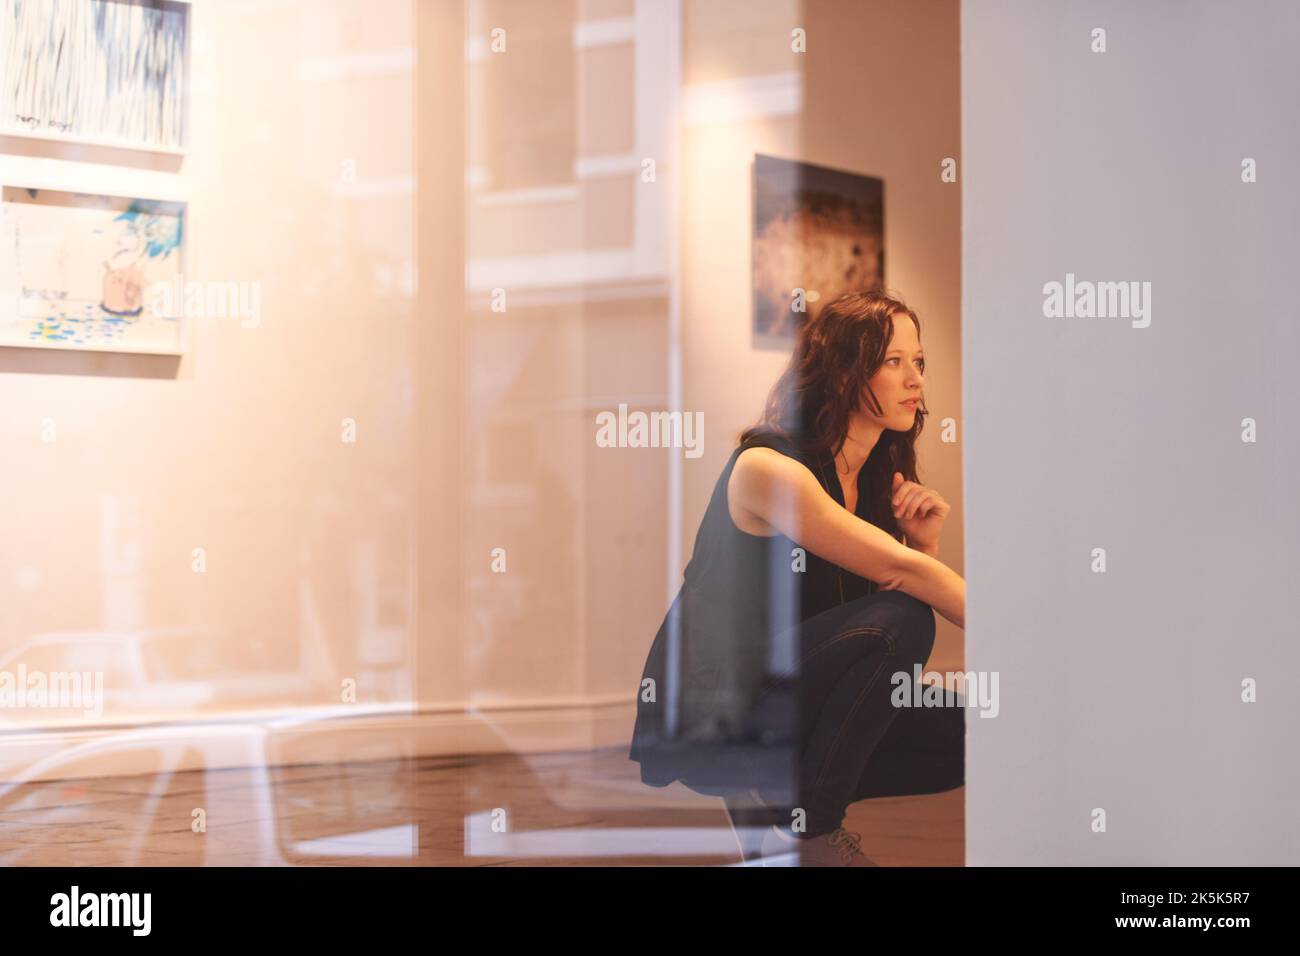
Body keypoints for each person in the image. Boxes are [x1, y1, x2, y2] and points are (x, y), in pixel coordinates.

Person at [628, 289, 967, 866]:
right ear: (841, 373)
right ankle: (805, 834)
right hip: (721, 704)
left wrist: (924, 543)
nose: (916, 379)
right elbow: (898, 577)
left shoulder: (878, 482)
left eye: (920, 362)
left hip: (794, 693)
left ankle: (780, 816)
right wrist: (1025, 646)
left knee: (972, 732)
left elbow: (892, 580)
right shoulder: (767, 467)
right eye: (893, 361)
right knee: (901, 619)